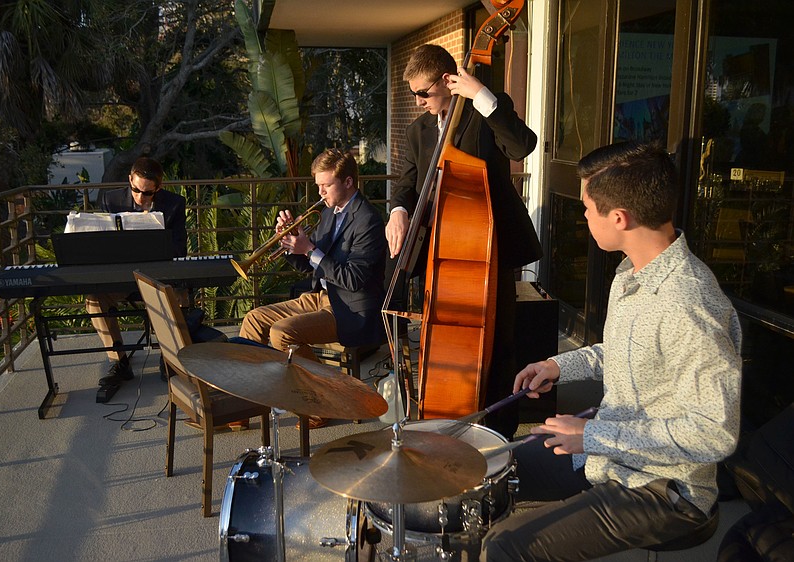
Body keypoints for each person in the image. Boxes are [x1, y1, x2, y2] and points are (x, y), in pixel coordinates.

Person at [480, 142, 742, 561]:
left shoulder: (690, 303)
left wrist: (591, 434)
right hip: (605, 455)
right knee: (484, 473)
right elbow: (617, 351)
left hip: (664, 489)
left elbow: (714, 433)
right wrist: (555, 365)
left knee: (506, 546)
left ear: (619, 218)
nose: (582, 215)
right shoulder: (630, 273)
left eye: (587, 208)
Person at [386, 44, 542, 437]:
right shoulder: (417, 130)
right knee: (440, 344)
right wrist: (398, 211)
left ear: (447, 80)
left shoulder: (484, 111)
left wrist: (482, 97)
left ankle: (498, 441)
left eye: (424, 92)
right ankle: (445, 430)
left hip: (487, 249)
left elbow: (522, 146)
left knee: (497, 351)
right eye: (413, 94)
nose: (418, 101)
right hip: (440, 252)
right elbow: (407, 182)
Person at [239, 148, 387, 429]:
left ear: (348, 182)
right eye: (318, 185)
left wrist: (310, 250)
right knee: (254, 318)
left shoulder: (368, 219)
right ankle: (244, 403)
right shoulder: (330, 212)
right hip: (320, 296)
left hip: (349, 307)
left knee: (282, 333)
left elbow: (354, 279)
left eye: (325, 185)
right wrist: (291, 242)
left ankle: (322, 401)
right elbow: (309, 265)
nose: (320, 193)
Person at [86, 156, 187, 387]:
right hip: (123, 279)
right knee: (94, 300)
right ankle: (119, 362)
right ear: (129, 179)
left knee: (180, 296)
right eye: (135, 189)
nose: (140, 197)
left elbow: (180, 247)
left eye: (148, 193)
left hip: (159, 279)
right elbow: (104, 247)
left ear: (158, 188)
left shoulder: (174, 204)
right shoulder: (111, 200)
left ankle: (169, 359)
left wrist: (152, 232)